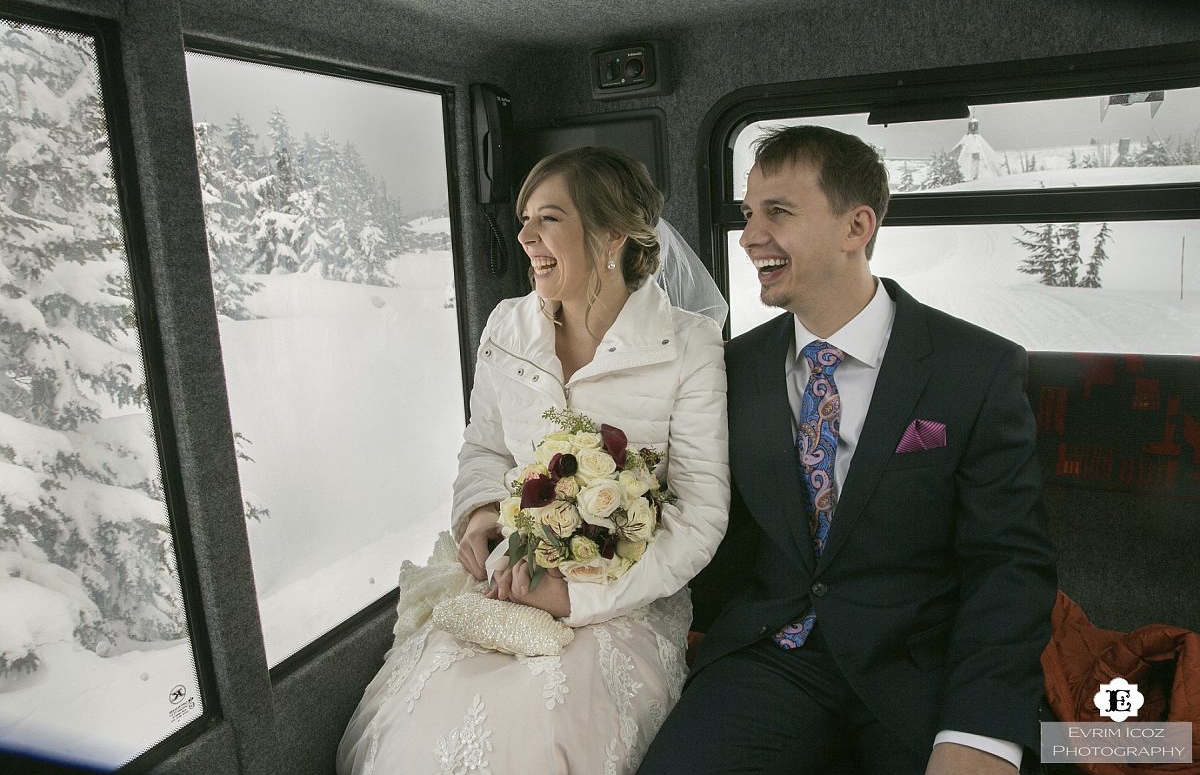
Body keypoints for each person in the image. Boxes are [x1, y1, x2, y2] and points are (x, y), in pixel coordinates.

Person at [639, 126, 1057, 775]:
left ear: (856, 226)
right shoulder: (733, 368)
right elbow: (693, 509)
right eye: (748, 214)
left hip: (919, 667)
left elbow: (1007, 563)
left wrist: (980, 731)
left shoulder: (975, 369)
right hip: (771, 658)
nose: (749, 236)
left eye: (778, 212)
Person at [337, 146, 730, 775]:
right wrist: (481, 512)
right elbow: (486, 446)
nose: (523, 237)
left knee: (542, 730)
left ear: (611, 235)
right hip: (504, 575)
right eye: (523, 219)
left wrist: (579, 600)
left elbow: (701, 513)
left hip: (622, 595)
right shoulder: (504, 327)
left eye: (547, 218)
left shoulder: (689, 345)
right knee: (426, 725)